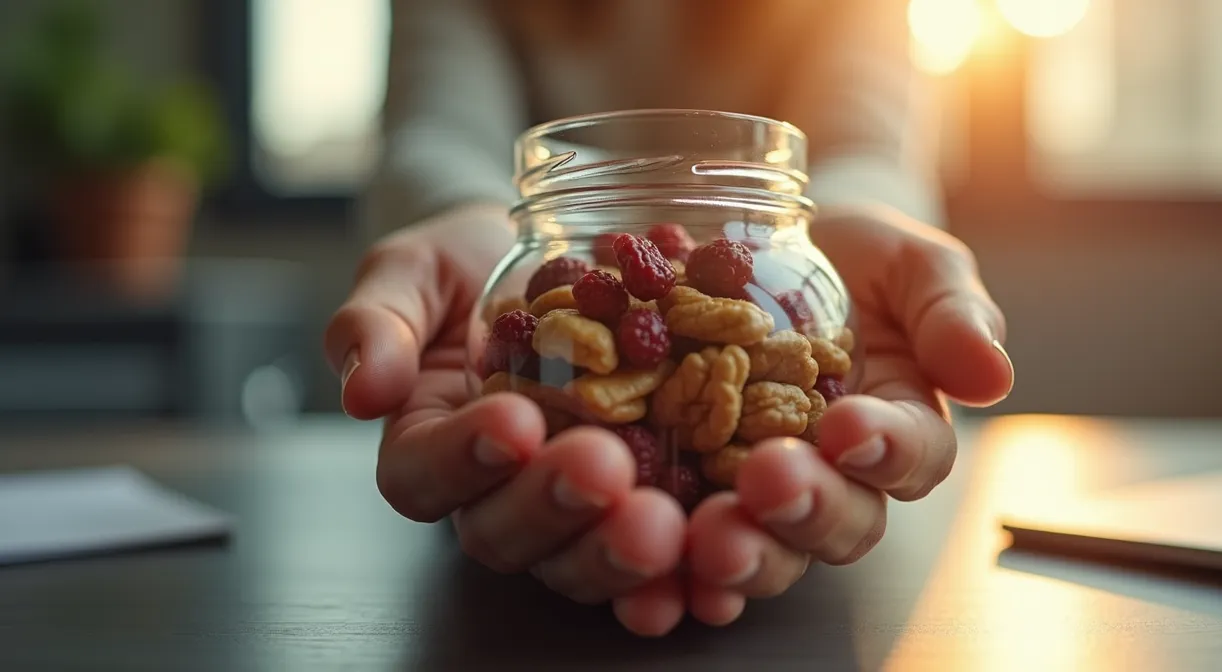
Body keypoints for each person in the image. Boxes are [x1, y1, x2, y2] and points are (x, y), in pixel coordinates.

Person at [324, 0, 1014, 637]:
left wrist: (857, 212)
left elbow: (867, 135)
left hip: (776, 228)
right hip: (545, 235)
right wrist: (456, 213)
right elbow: (437, 126)